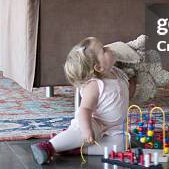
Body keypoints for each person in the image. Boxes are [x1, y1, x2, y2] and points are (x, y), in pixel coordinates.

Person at [30, 37, 135, 165]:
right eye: (103, 50)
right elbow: (85, 109)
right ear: (99, 67)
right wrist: (87, 129)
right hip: (94, 122)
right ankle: (49, 146)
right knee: (86, 132)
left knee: (123, 145)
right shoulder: (95, 85)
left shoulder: (119, 73)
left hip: (114, 127)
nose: (109, 48)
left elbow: (125, 93)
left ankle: (75, 148)